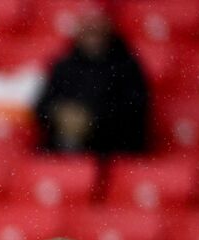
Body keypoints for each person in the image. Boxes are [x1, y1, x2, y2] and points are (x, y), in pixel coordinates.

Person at [34, 8, 149, 156]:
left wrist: (92, 119)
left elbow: (135, 109)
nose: (93, 36)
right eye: (88, 30)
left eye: (97, 30)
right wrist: (60, 114)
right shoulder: (64, 65)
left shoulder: (126, 65)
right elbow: (42, 106)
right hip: (64, 147)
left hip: (110, 149)